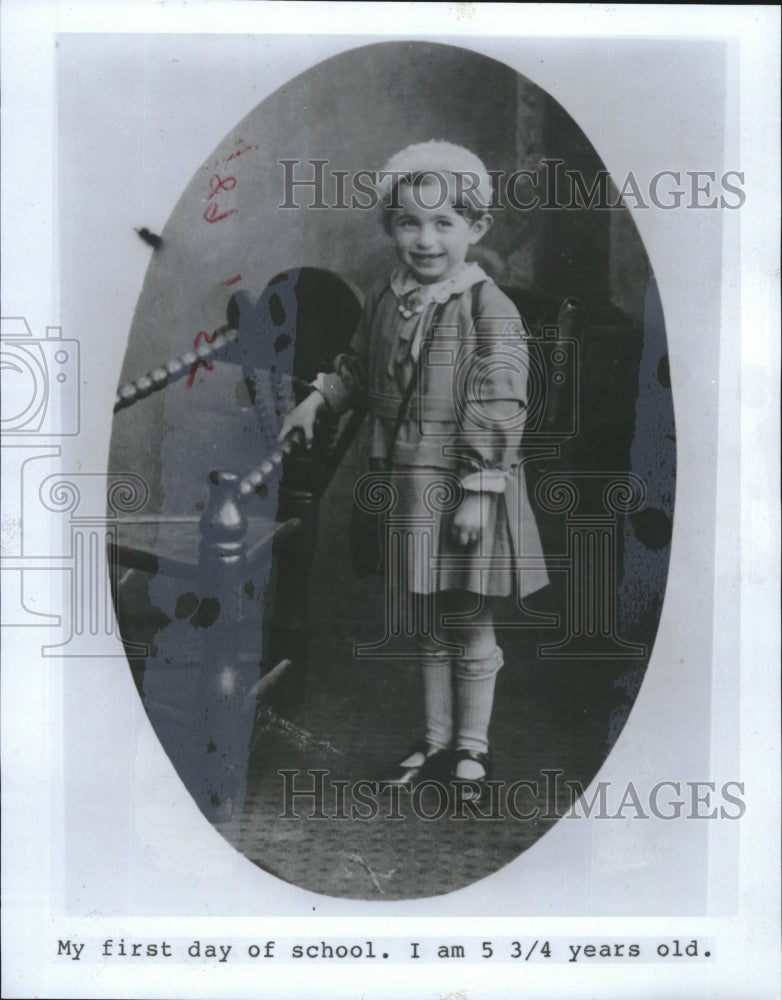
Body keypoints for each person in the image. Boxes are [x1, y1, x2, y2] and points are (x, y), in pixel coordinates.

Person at [280, 141, 548, 801]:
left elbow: (501, 400)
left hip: (465, 485)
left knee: (469, 618)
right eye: (408, 223)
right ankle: (431, 740)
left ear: (476, 229)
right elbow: (358, 365)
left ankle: (472, 750)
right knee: (425, 619)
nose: (424, 241)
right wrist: (319, 398)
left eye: (443, 224)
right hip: (406, 482)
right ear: (390, 226)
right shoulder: (386, 298)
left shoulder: (488, 308)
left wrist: (480, 493)